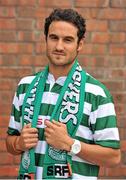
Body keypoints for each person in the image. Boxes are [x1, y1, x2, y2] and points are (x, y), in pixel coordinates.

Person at [6, 8, 121, 180]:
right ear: (46, 39)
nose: (59, 46)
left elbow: (113, 157)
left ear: (79, 44)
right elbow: (10, 141)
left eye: (67, 40)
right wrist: (19, 143)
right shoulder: (25, 86)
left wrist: (70, 144)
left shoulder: (97, 93)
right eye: (54, 38)